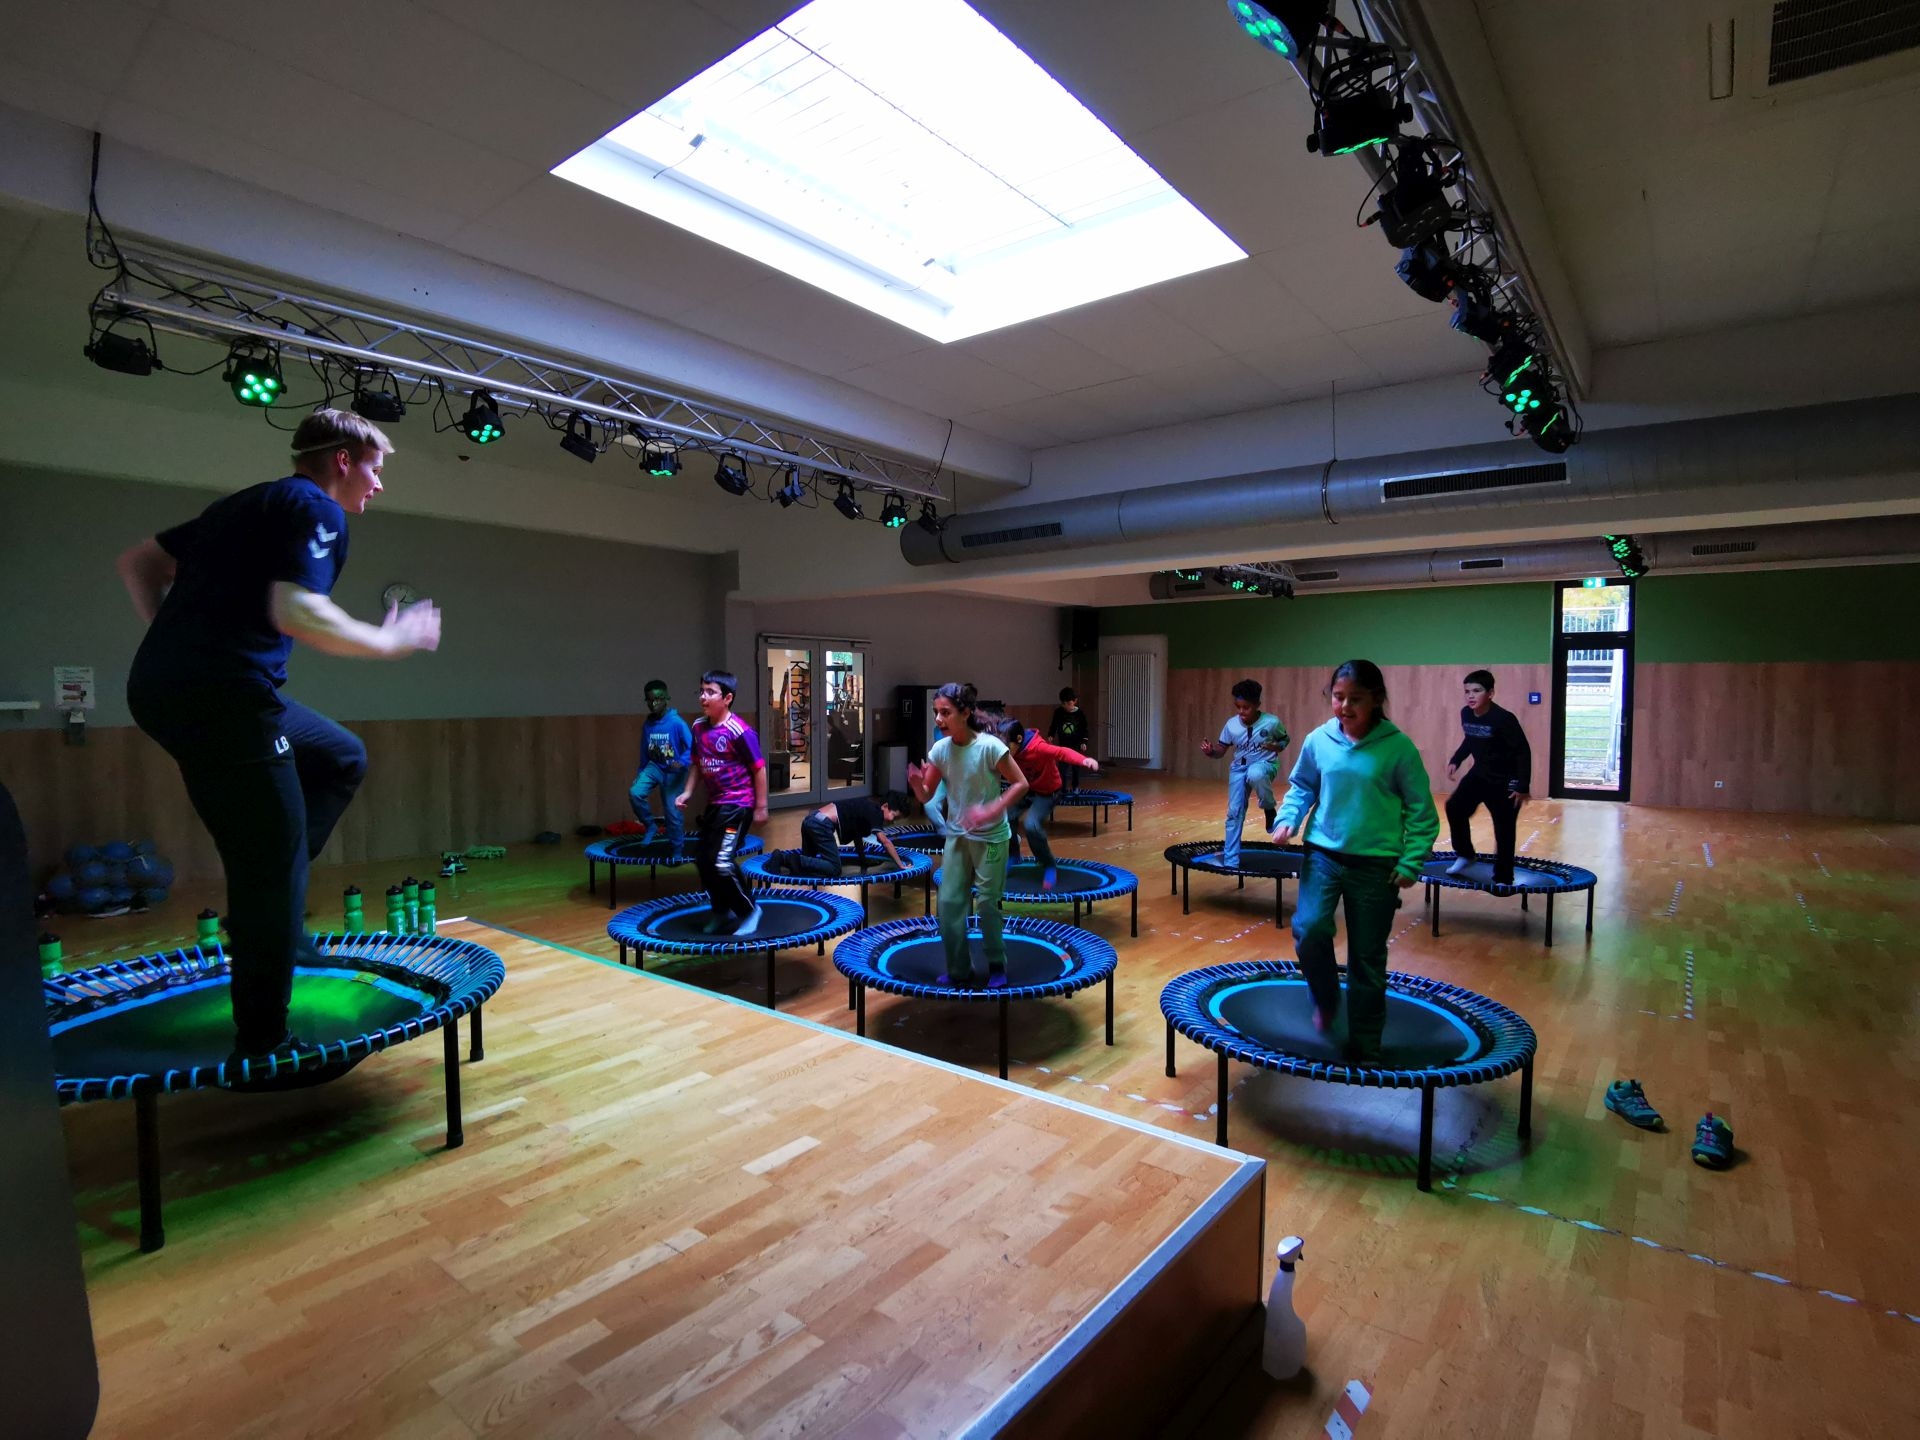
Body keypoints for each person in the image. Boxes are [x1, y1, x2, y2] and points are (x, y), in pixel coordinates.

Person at [117, 408, 441, 1071]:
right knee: (269, 861)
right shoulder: (314, 506)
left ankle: (274, 893)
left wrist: (172, 643)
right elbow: (297, 609)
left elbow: (140, 563)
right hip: (226, 696)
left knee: (338, 756)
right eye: (375, 468)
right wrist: (390, 640)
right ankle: (264, 1041)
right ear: (344, 460)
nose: (379, 484)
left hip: (181, 690)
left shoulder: (245, 505)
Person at [1270, 660, 1439, 1062]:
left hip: (1376, 864)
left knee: (1367, 956)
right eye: (1338, 697)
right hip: (1323, 854)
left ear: (1376, 700)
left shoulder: (1398, 748)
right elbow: (1302, 786)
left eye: (1355, 699)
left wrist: (1411, 860)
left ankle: (1366, 1045)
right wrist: (1288, 818)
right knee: (1310, 928)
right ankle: (1326, 998)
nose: (1345, 706)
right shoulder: (1319, 739)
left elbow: (1422, 811)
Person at [906, 684, 1028, 986]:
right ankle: (959, 969)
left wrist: (991, 809)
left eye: (945, 712)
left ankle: (996, 965)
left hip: (992, 837)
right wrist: (917, 785)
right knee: (948, 904)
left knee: (987, 903)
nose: (938, 719)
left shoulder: (990, 747)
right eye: (936, 712)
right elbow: (926, 795)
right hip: (958, 837)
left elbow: (1020, 784)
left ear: (965, 713)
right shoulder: (940, 750)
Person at [674, 670, 769, 935]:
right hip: (716, 805)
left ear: (727, 698)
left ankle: (749, 910)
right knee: (703, 859)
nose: (703, 697)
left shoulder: (739, 731)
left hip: (738, 805)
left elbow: (759, 769)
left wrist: (761, 807)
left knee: (722, 862)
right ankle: (721, 909)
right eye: (701, 691)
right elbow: (697, 764)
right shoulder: (698, 727)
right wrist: (687, 792)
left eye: (710, 692)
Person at [1444, 669, 1532, 885]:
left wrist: (1522, 785)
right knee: (1454, 807)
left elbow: (1522, 751)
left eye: (1477, 691)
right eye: (1467, 691)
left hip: (1505, 781)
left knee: (1504, 829)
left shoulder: (1504, 719)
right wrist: (1456, 759)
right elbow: (1470, 738)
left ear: (1490, 693)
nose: (1470, 696)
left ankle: (1504, 877)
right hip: (1479, 775)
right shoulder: (1466, 713)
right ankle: (1466, 854)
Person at [993, 713, 1100, 889]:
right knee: (1006, 816)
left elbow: (1062, 752)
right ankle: (1014, 855)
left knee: (1031, 825)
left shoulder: (1039, 748)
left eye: (1006, 746)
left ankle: (1049, 864)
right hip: (1026, 789)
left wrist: (1084, 760)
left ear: (1019, 739)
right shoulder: (1008, 750)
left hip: (1048, 792)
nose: (1003, 750)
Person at [1199, 678, 1289, 865]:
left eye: (1246, 707)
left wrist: (1276, 746)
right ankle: (1231, 861)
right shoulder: (1231, 725)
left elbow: (1284, 740)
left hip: (1265, 764)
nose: (1241, 711)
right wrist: (1211, 752)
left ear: (1257, 705)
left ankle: (1269, 808)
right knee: (1234, 812)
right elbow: (1221, 750)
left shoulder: (1272, 722)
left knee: (1255, 773)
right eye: (1238, 707)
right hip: (1238, 769)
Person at [767, 792, 910, 877]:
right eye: (894, 816)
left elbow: (857, 835)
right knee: (834, 868)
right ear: (885, 806)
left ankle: (784, 859)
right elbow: (885, 842)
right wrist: (901, 864)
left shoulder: (867, 809)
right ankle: (785, 858)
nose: (892, 822)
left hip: (811, 820)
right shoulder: (876, 813)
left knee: (808, 863)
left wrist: (863, 859)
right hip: (821, 825)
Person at [630, 679, 693, 857]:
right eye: (650, 700)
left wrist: (681, 762)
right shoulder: (648, 724)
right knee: (635, 792)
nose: (654, 704)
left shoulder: (677, 723)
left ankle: (677, 849)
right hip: (655, 767)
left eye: (658, 699)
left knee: (672, 812)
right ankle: (650, 825)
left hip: (674, 771)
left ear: (667, 698)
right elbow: (644, 750)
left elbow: (692, 747)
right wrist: (640, 772)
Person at [1048, 687, 1091, 793]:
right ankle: (1062, 789)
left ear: (1075, 701)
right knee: (1062, 770)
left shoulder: (1080, 714)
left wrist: (1084, 742)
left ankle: (1075, 787)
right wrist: (1051, 735)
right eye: (1064, 704)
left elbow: (1084, 729)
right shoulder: (1058, 712)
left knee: (1076, 768)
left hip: (1076, 745)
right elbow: (1054, 725)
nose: (1066, 706)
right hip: (1064, 746)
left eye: (1068, 703)